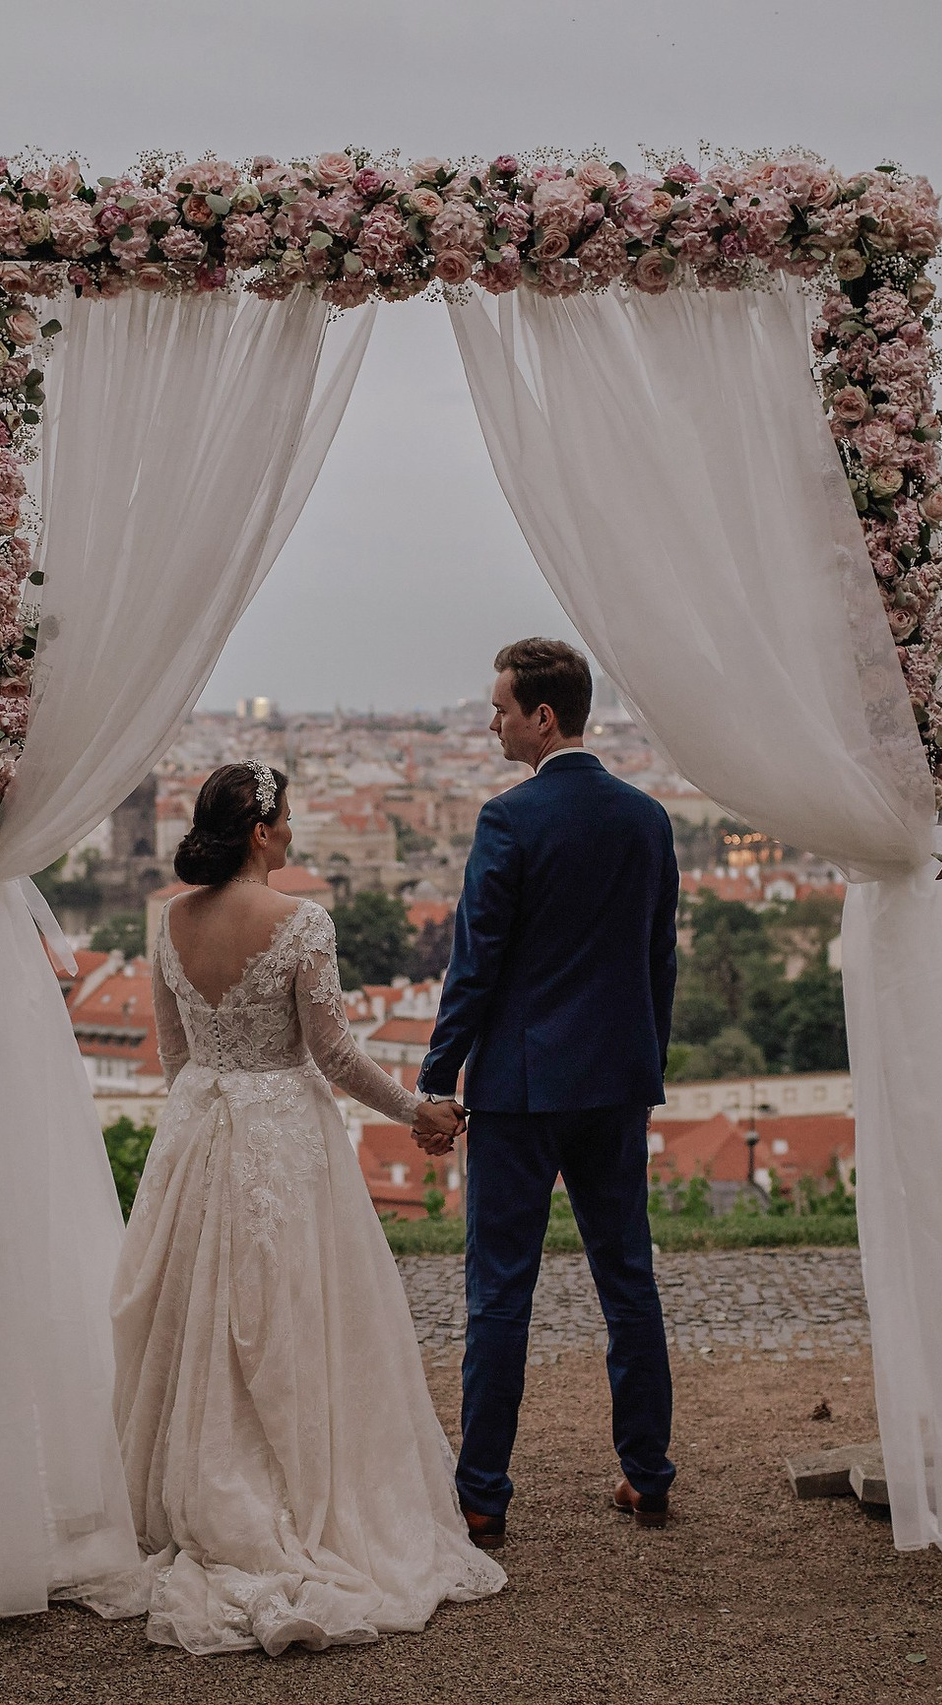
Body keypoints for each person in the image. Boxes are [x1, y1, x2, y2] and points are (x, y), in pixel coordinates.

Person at [109, 759, 504, 1655]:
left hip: (200, 1131)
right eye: (285, 820)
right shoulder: (301, 921)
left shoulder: (170, 920)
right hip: (284, 1136)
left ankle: (186, 1491)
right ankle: (299, 1498)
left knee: (196, 1316)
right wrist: (421, 1111)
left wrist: (208, 1123)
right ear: (260, 828)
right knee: (295, 1317)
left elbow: (175, 1057)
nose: (293, 834)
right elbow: (335, 1055)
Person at [418, 637, 680, 1549]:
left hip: (522, 1089)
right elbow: (660, 961)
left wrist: (435, 1074)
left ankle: (484, 1494)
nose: (489, 719)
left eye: (498, 706)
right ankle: (648, 1476)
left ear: (542, 715)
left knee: (500, 1292)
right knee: (627, 1278)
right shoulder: (647, 819)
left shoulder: (509, 821)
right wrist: (649, 1061)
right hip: (614, 1081)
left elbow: (474, 965)